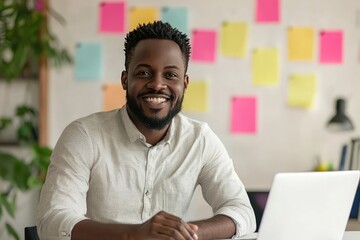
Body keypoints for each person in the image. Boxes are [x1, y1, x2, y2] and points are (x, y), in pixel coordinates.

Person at [37, 21, 256, 240]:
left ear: (185, 83)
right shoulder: (84, 136)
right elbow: (53, 221)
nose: (157, 84)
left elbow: (242, 212)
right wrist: (132, 235)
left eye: (170, 75)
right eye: (143, 73)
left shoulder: (200, 139)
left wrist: (180, 235)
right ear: (125, 80)